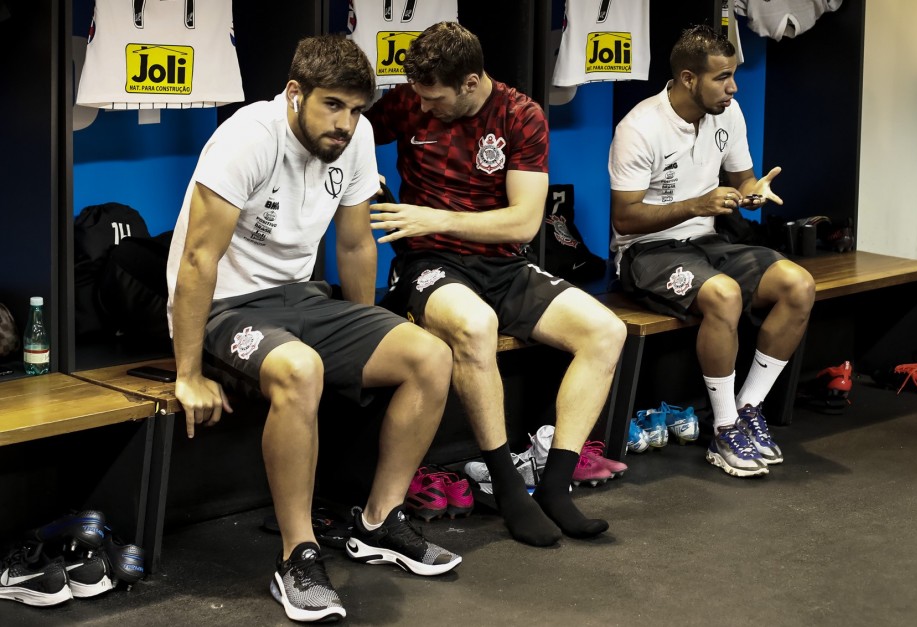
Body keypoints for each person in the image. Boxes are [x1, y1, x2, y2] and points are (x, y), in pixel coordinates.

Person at [165, 35, 461, 623]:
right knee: (301, 369)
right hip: (227, 306)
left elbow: (353, 244)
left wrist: (366, 332)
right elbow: (198, 258)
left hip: (303, 299)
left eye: (356, 110)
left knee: (429, 355)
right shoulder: (246, 138)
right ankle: (297, 555)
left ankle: (378, 521)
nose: (346, 124)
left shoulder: (355, 139)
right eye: (332, 106)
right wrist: (188, 372)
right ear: (294, 93)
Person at [365, 21, 627, 547]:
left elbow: (524, 222)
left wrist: (430, 216)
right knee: (475, 325)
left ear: (470, 81)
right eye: (418, 94)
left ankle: (554, 486)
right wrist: (366, 186)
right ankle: (508, 485)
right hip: (428, 264)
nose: (425, 106)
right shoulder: (407, 103)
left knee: (605, 331)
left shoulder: (520, 115)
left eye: (435, 97)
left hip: (502, 263)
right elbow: (349, 138)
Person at [608, 24, 816, 478]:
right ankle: (723, 430)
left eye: (733, 74)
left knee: (798, 285)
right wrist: (698, 204)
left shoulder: (729, 113)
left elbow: (742, 177)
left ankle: (747, 410)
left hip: (707, 243)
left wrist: (752, 191)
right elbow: (625, 218)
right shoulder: (639, 127)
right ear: (688, 79)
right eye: (722, 77)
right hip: (646, 253)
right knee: (724, 295)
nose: (733, 87)